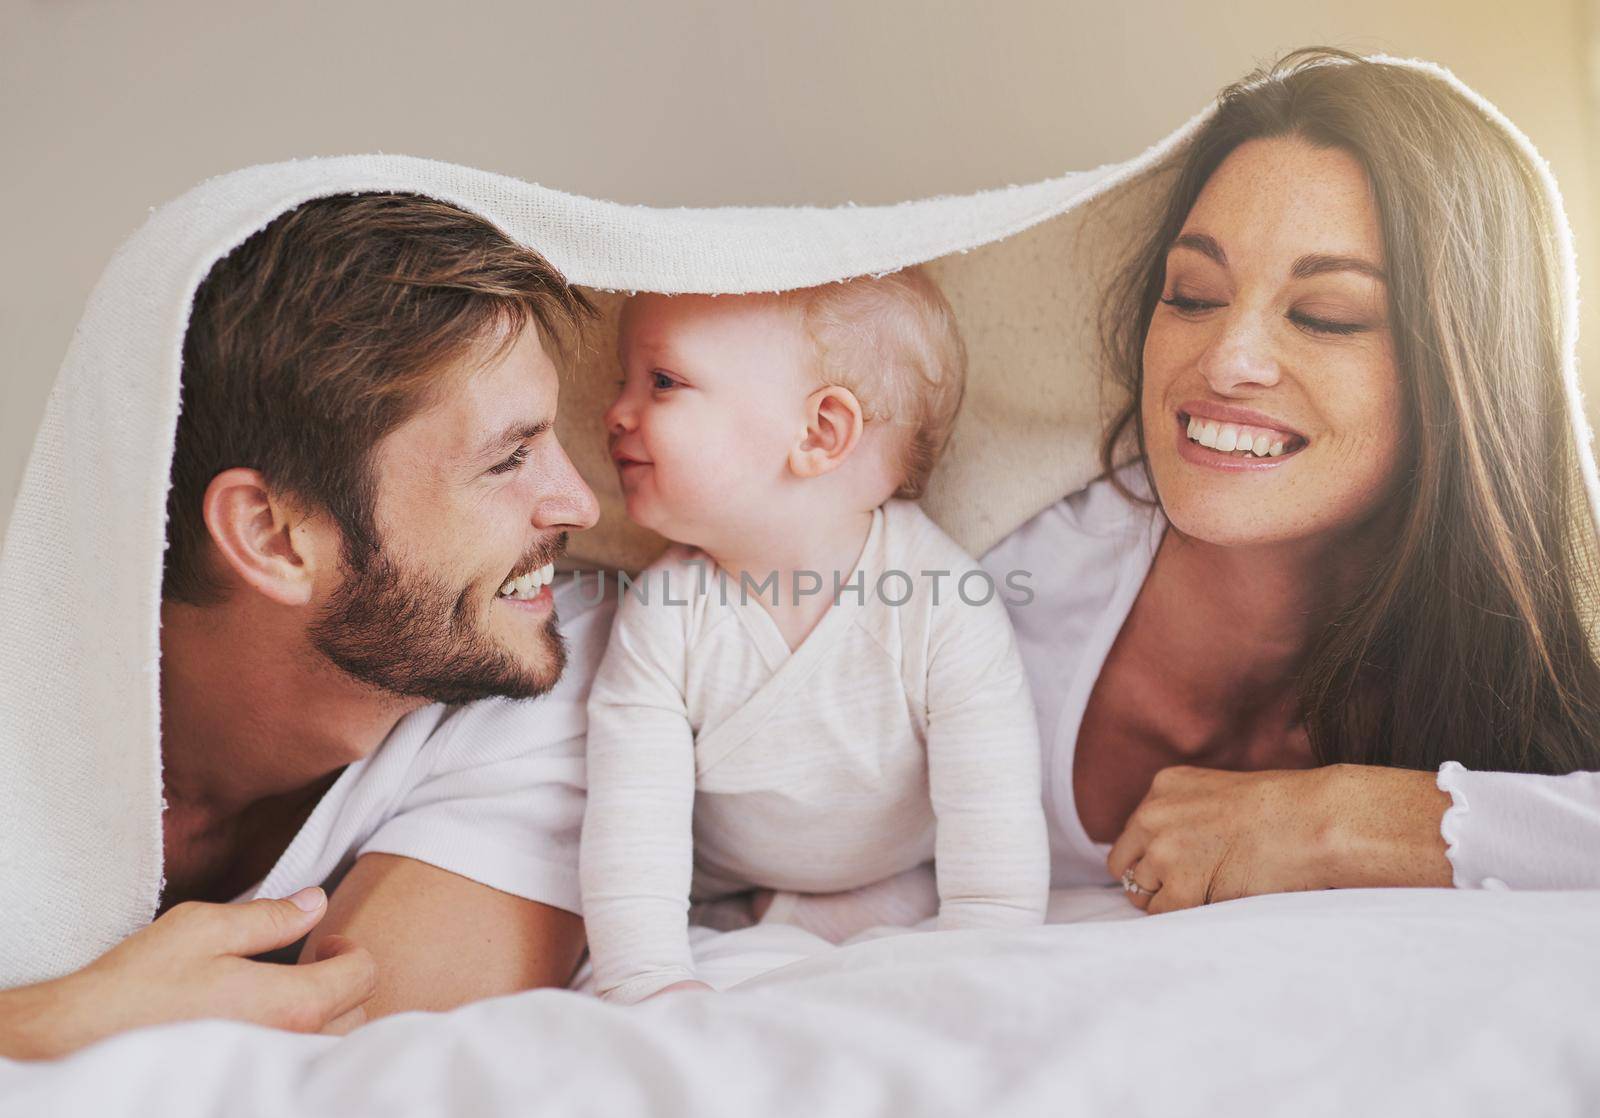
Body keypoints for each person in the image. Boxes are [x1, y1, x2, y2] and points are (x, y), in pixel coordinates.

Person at [978, 47, 1600, 912]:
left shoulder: (1515, 644)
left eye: (1326, 315)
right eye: (1192, 295)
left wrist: (1344, 819)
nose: (1226, 361)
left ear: (1464, 380)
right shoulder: (997, 588)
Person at [0, 194, 606, 1058]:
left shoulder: (538, 672)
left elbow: (353, 1076)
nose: (578, 502)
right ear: (272, 536)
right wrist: (56, 1019)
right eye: (508, 458)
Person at [579, 274, 1048, 1003]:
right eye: (624, 380)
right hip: (726, 879)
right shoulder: (665, 615)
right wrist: (648, 979)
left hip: (900, 869)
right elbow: (631, 823)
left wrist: (987, 952)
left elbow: (992, 810)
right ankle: (773, 913)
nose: (614, 412)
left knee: (913, 908)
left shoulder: (941, 603)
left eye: (662, 381)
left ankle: (829, 913)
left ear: (820, 432)